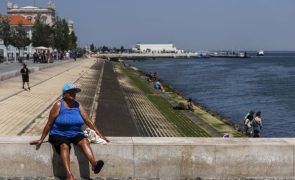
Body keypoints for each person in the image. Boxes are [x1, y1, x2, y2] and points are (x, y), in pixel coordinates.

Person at [30, 83, 109, 180]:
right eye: (70, 92)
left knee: (84, 141)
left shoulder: (78, 105)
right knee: (64, 145)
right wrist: (41, 139)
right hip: (58, 133)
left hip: (75, 133)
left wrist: (100, 135)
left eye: (74, 92)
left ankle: (94, 165)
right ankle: (69, 175)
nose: (73, 94)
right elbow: (49, 123)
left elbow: (88, 121)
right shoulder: (59, 104)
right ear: (64, 94)